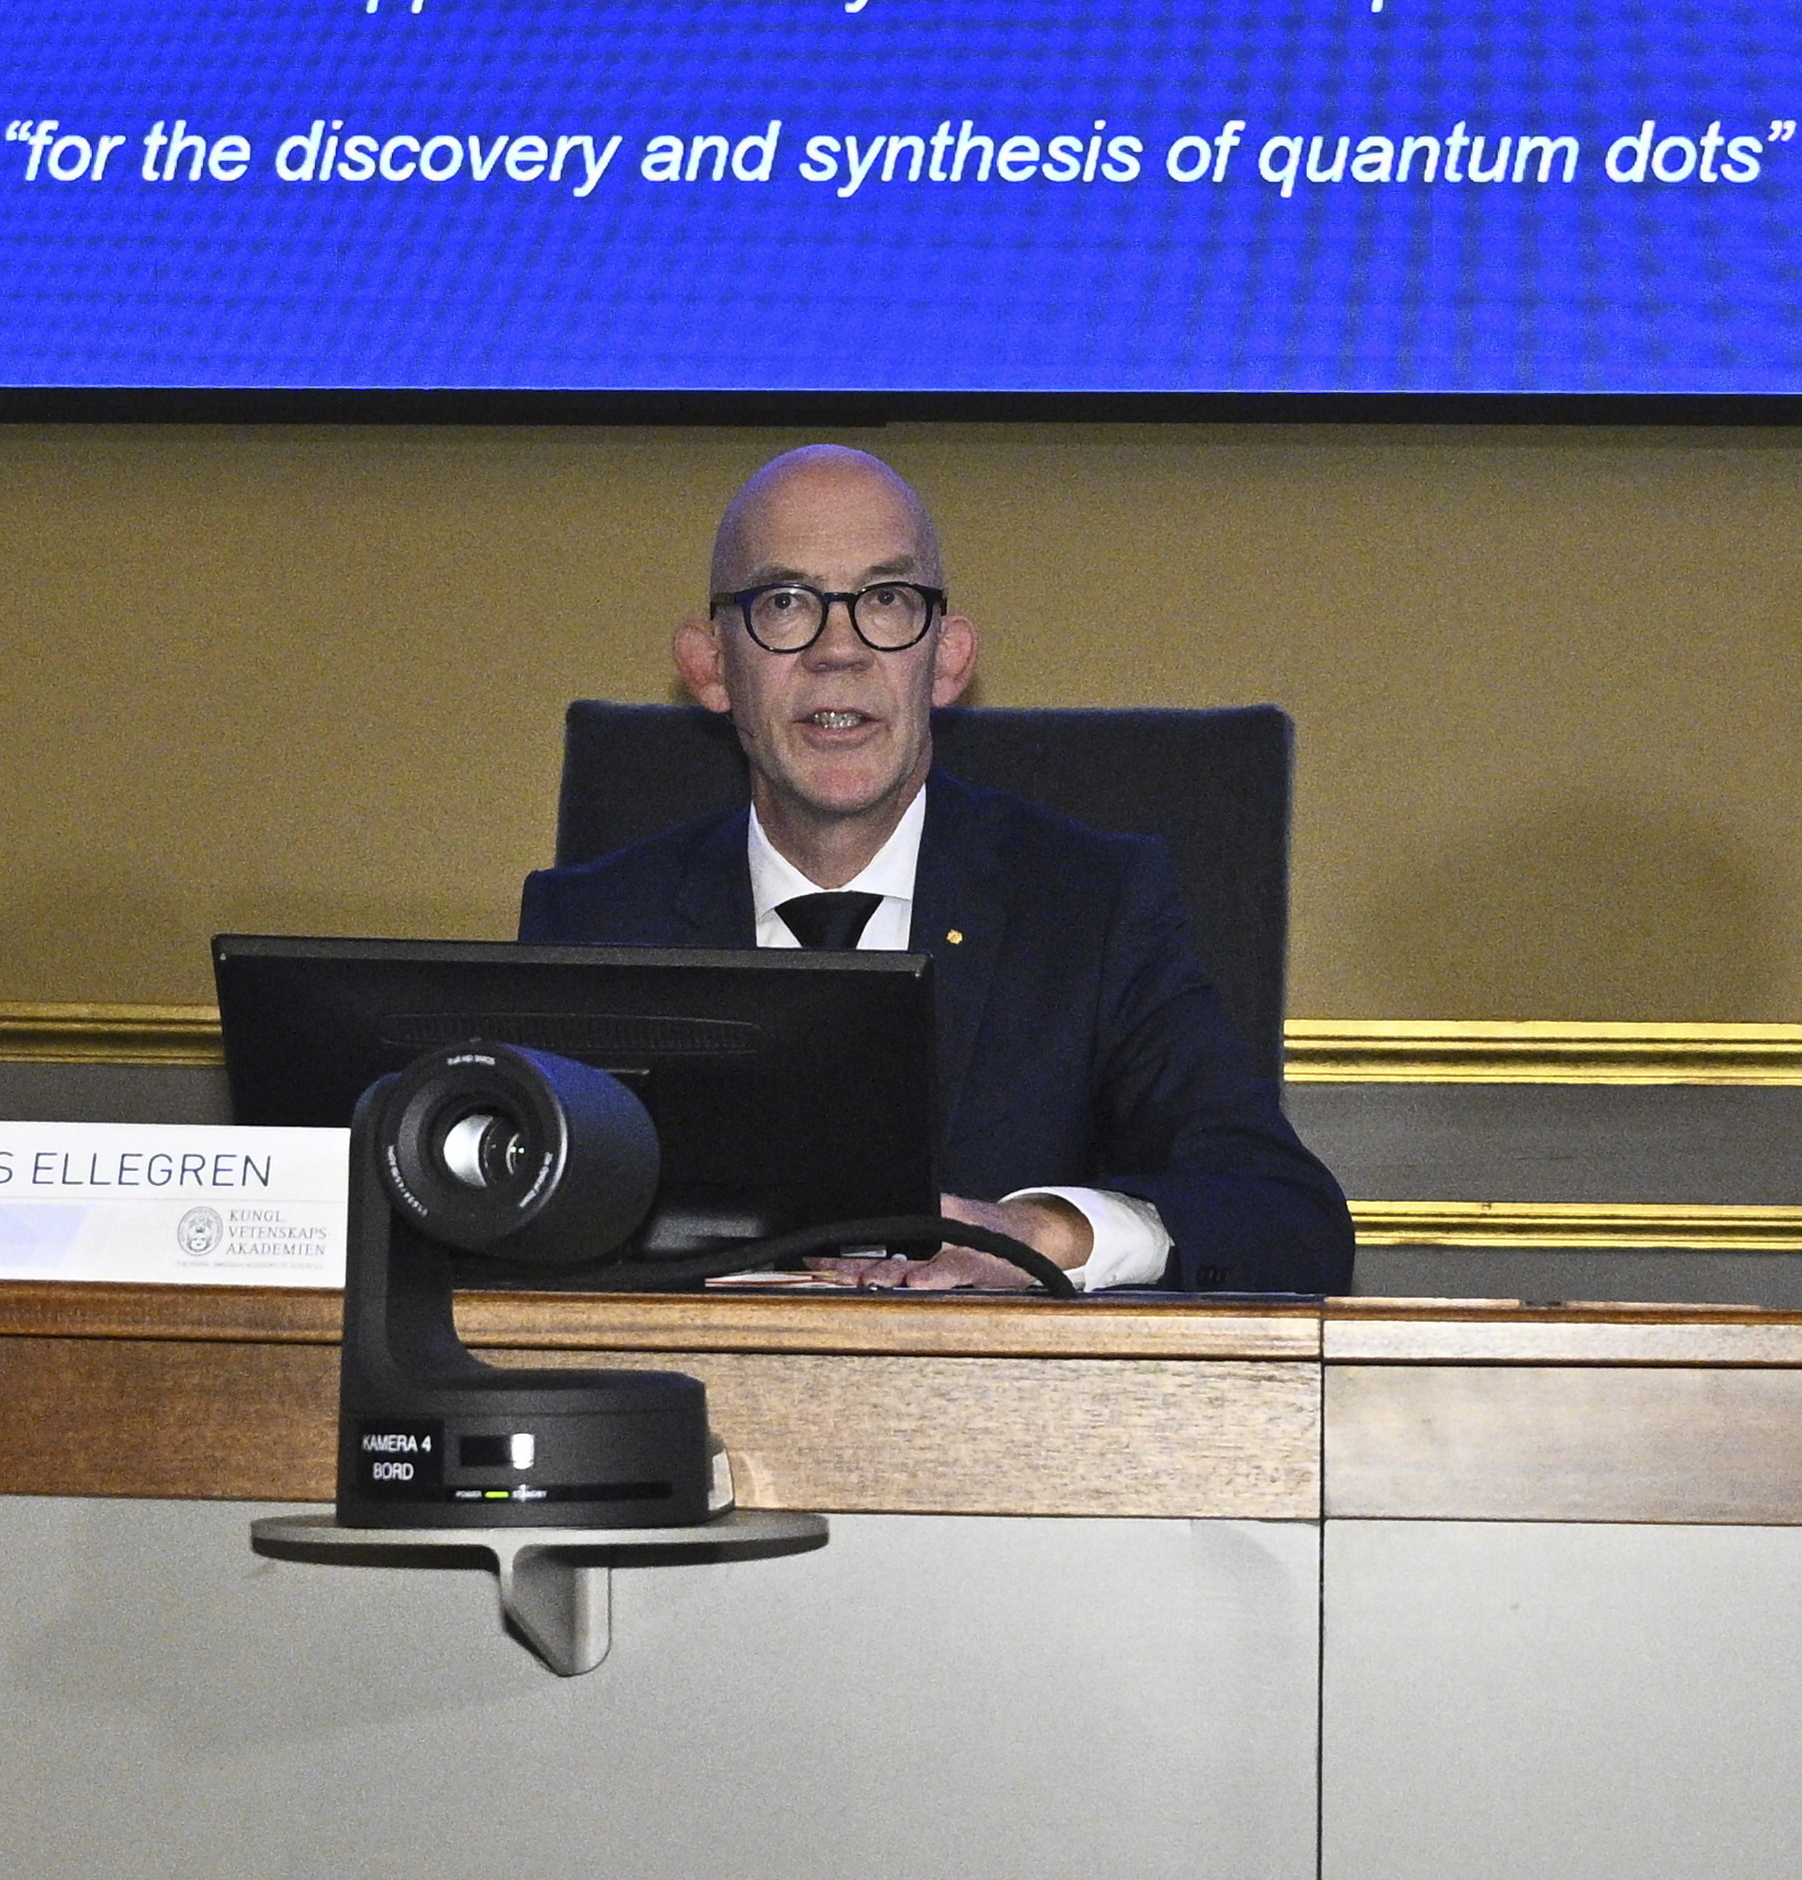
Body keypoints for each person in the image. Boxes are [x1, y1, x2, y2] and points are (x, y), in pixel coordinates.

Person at [522, 441, 1353, 1295]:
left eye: (885, 601)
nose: (836, 651)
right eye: (784, 602)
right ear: (709, 666)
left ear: (949, 659)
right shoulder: (592, 924)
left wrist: (1034, 1236)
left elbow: (1286, 1220)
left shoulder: (1090, 913)